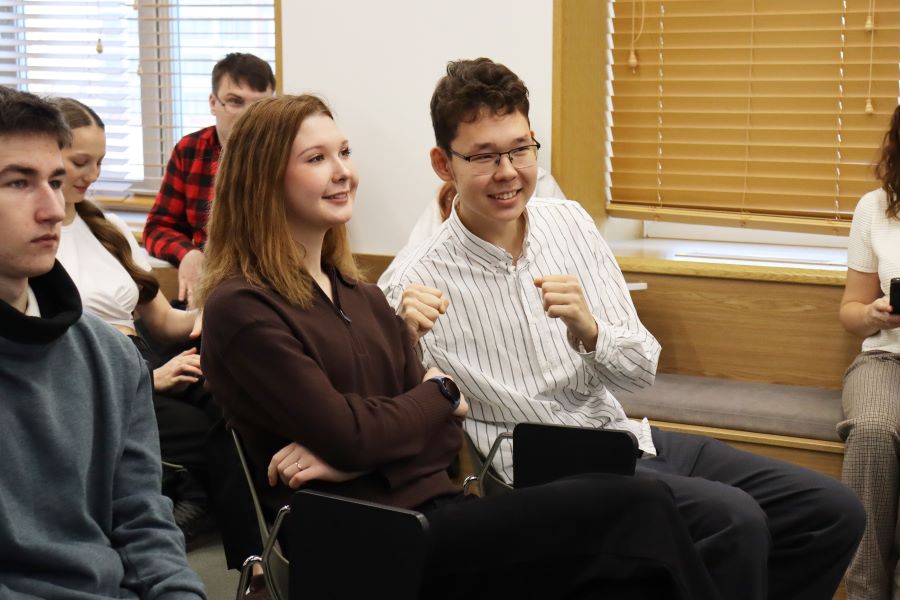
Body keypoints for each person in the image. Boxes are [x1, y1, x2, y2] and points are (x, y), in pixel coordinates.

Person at [197, 93, 725, 600]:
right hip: (368, 544)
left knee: (627, 573)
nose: (343, 172)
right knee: (638, 505)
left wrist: (356, 459)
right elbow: (360, 431)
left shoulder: (360, 294)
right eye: (317, 158)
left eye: (345, 152)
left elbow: (441, 441)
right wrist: (440, 394)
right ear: (263, 180)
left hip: (441, 514)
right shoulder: (242, 308)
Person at [379, 57, 866, 600]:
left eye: (520, 149)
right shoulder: (412, 282)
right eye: (485, 156)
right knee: (734, 520)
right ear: (443, 164)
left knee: (832, 511)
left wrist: (590, 331)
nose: (508, 171)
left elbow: (639, 372)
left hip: (623, 436)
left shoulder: (569, 223)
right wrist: (402, 341)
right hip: (542, 474)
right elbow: (387, 419)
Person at [0, 88, 205, 598]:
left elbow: (142, 523)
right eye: (19, 182)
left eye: (55, 181)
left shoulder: (110, 359)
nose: (53, 209)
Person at [51, 97, 261, 569]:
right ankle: (250, 560)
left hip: (146, 356)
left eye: (100, 162)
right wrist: (148, 380)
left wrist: (222, 306)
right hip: (103, 377)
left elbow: (166, 322)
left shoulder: (105, 228)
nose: (92, 175)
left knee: (241, 402)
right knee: (214, 433)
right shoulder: (37, 239)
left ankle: (260, 542)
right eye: (80, 162)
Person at [143, 52, 275, 308]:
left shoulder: (289, 155)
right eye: (235, 101)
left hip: (270, 291)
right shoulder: (190, 151)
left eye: (259, 105)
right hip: (208, 292)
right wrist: (187, 253)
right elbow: (157, 228)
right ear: (213, 103)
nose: (248, 116)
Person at [837, 102, 900, 600]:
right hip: (885, 359)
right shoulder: (875, 207)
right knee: (874, 431)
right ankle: (862, 592)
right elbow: (850, 310)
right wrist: (875, 314)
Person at [378, 168, 566, 287]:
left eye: (517, 149)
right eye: (483, 156)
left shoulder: (542, 189)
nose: (505, 174)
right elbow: (394, 283)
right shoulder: (447, 200)